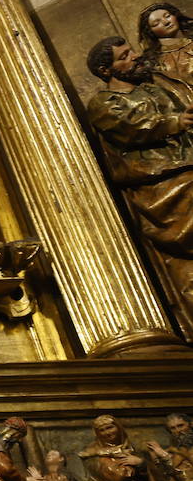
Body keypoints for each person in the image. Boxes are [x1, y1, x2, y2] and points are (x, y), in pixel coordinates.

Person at [84, 37, 193, 316]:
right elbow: (129, 128)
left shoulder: (156, 91)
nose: (133, 57)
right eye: (123, 56)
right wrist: (174, 123)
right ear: (106, 70)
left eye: (130, 51)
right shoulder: (103, 102)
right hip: (161, 184)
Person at [137, 3, 193, 95]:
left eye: (167, 16)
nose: (166, 22)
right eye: (156, 23)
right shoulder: (155, 62)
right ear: (150, 32)